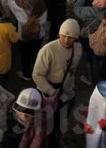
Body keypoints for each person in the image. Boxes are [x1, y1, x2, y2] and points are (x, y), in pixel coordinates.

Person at [32, 19, 82, 147]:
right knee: (46, 122)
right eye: (63, 36)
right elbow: (37, 75)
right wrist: (50, 91)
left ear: (75, 38)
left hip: (67, 92)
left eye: (70, 37)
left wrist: (71, 88)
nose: (65, 40)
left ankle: (58, 140)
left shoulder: (78, 49)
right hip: (49, 94)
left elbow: (72, 70)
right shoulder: (48, 50)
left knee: (62, 119)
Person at [9, 0, 48, 81]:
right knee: (36, 55)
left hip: (24, 36)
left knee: (25, 56)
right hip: (38, 34)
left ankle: (26, 75)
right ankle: (37, 75)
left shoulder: (20, 5)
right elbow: (43, 21)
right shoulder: (42, 4)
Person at [74, 0, 106, 85]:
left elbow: (76, 8)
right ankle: (103, 78)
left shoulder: (89, 11)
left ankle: (90, 79)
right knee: (100, 57)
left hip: (88, 38)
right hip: (103, 38)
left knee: (88, 58)